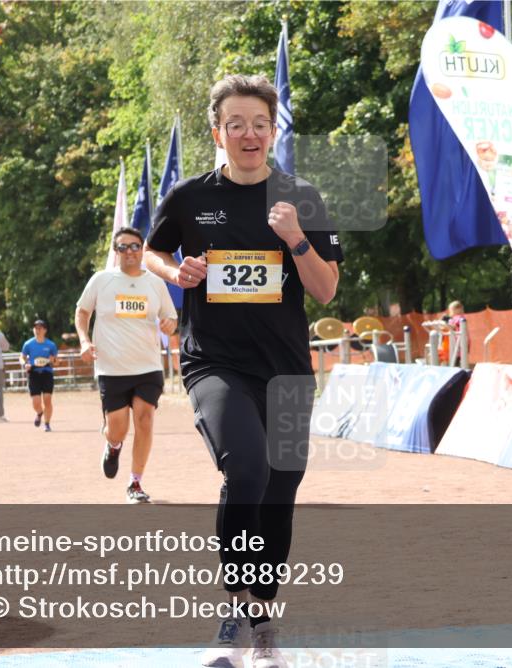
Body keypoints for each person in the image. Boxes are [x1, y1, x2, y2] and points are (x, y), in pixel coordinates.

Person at [144, 74, 342, 668]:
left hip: (285, 370)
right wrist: (174, 272)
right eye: (236, 124)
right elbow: (153, 249)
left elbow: (327, 291)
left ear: (272, 130)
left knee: (281, 493)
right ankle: (234, 615)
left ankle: (265, 628)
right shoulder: (188, 197)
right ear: (219, 132)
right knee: (248, 472)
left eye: (259, 123)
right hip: (215, 362)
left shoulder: (301, 198)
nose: (249, 134)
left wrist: (296, 240)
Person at [76, 227, 177, 504]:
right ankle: (113, 443)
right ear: (115, 251)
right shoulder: (101, 280)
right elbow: (83, 311)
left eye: (135, 246)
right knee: (118, 428)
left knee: (145, 420)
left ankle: (135, 483)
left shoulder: (155, 283)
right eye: (123, 247)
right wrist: (85, 341)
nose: (130, 252)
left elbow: (170, 317)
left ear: (142, 249)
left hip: (147, 366)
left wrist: (170, 324)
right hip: (112, 369)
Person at [20, 319, 58, 431]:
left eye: (40, 328)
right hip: (33, 374)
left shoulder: (51, 345)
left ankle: (47, 423)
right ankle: (40, 412)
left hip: (47, 373)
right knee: (36, 402)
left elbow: (56, 361)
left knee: (47, 400)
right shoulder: (28, 344)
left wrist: (53, 360)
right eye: (35, 328)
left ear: (45, 330)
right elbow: (22, 357)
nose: (37, 330)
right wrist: (25, 364)